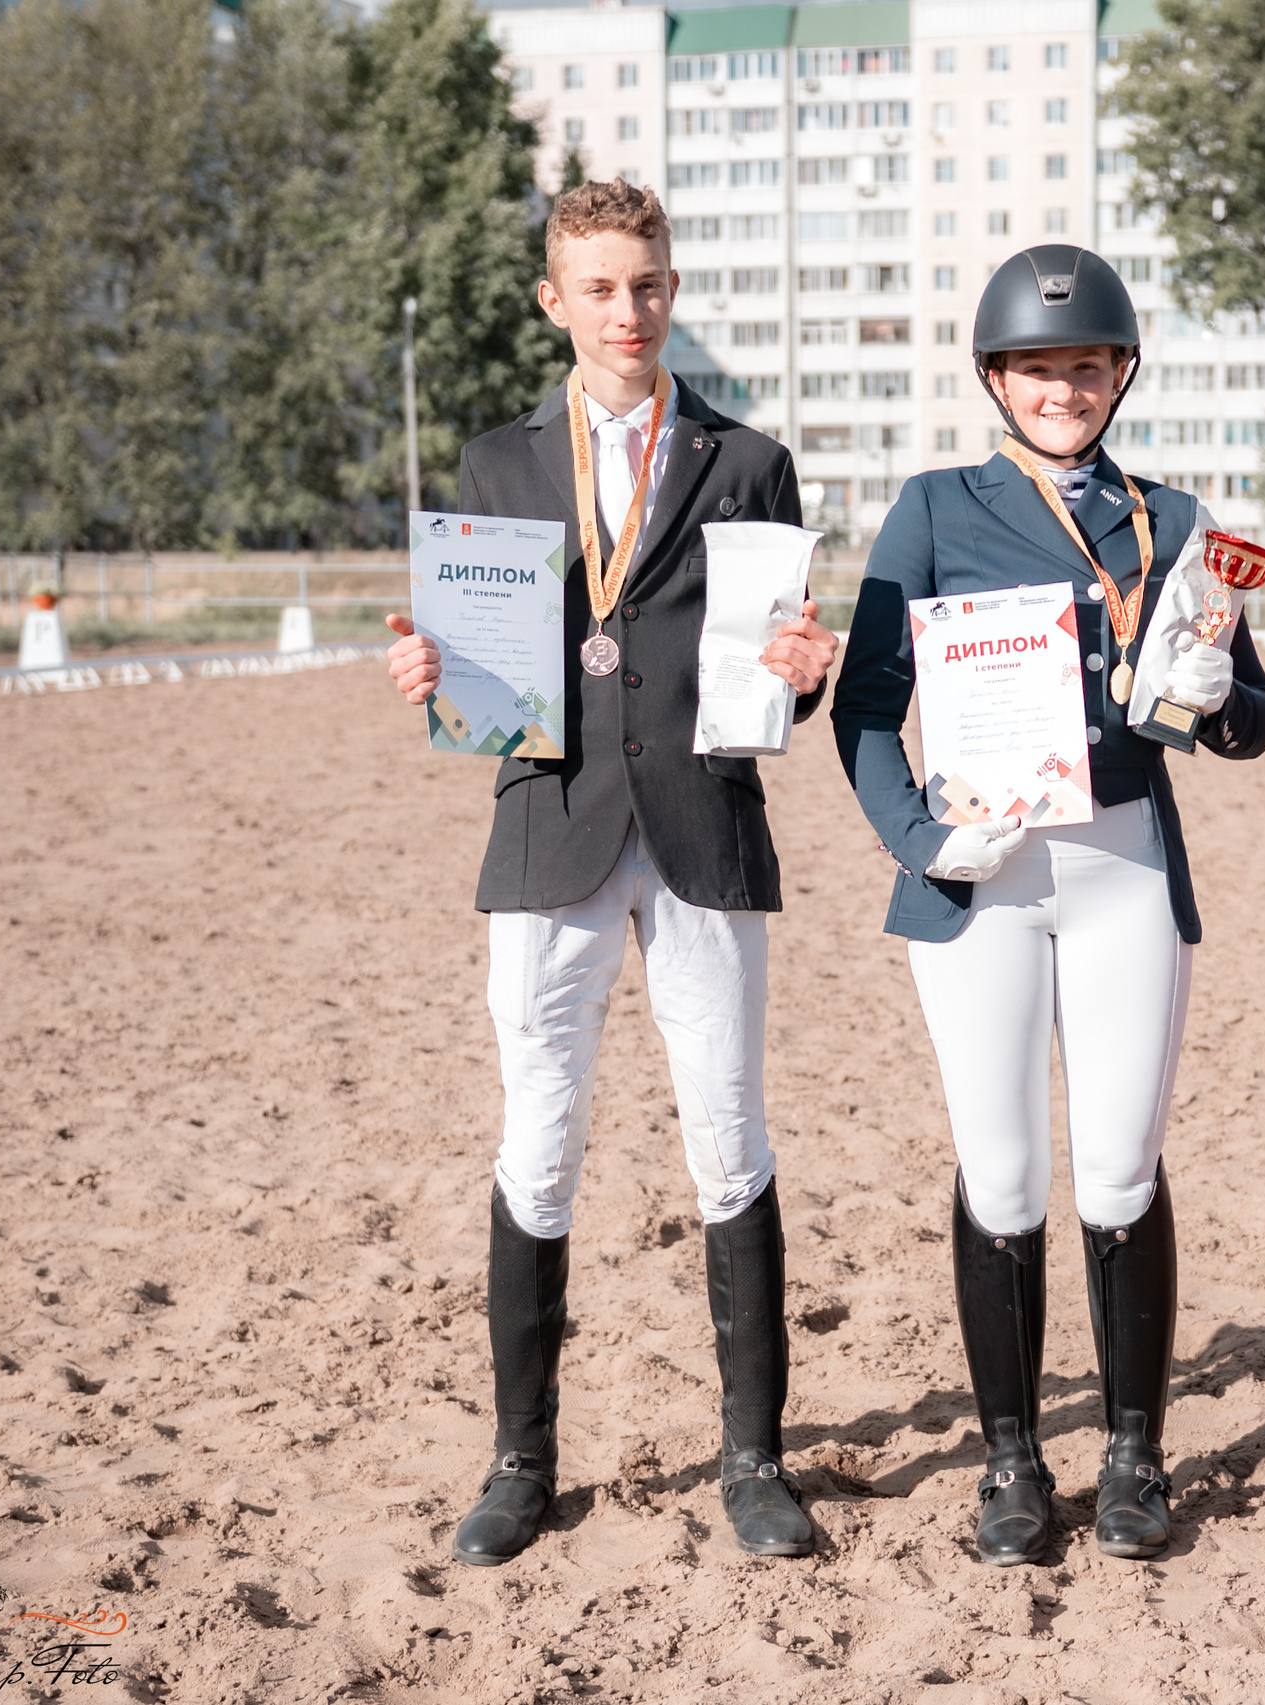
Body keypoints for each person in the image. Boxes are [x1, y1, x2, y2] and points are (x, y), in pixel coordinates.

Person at [381, 179, 840, 1566]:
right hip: (551, 827)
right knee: (540, 1140)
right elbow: (480, 668)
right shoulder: (495, 464)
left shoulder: (750, 461)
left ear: (673, 288)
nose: (624, 309)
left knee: (730, 1135)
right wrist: (429, 680)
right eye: (596, 287)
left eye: (644, 283)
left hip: (701, 823)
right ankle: (521, 1460)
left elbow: (779, 662)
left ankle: (753, 1456)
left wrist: (805, 679)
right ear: (553, 301)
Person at [832, 246, 1265, 1567]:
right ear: (996, 377)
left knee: (1124, 1165)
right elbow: (864, 709)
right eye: (1040, 367)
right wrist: (920, 837)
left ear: (1119, 373)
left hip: (1122, 866)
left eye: (1087, 366)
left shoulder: (1177, 517)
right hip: (980, 879)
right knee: (1005, 1169)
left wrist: (1206, 687)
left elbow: (1249, 720)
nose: (1064, 387)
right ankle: (1012, 1460)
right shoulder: (931, 508)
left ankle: (1136, 1455)